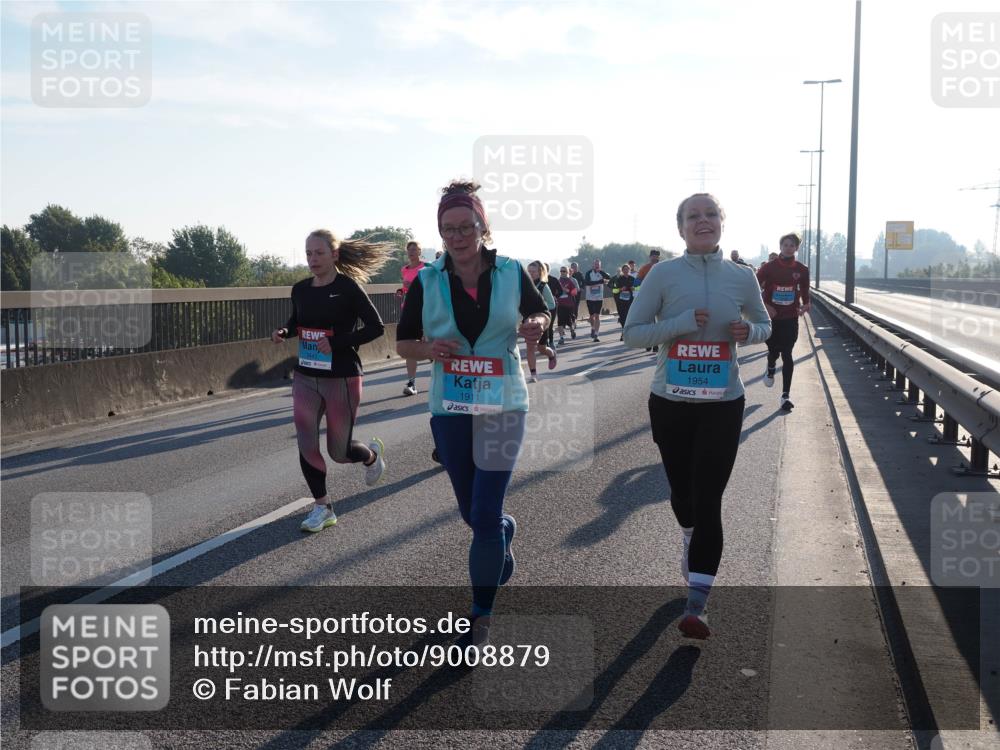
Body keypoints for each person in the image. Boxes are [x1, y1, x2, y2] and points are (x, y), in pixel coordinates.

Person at [396, 179, 549, 645]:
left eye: (467, 226)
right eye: (449, 229)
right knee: (473, 513)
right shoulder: (427, 279)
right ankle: (504, 531)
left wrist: (535, 325)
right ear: (440, 234)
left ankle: (481, 614)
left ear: (483, 226)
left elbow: (541, 313)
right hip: (451, 405)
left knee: (482, 513)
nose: (458, 236)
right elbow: (402, 343)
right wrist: (428, 348)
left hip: (504, 402)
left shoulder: (510, 270)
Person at [623, 193, 771, 640]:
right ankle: (688, 534)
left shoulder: (742, 277)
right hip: (669, 401)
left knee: (709, 500)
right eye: (693, 217)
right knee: (683, 497)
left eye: (710, 215)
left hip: (723, 404)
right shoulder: (663, 275)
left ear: (722, 224)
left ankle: (697, 606)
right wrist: (681, 323)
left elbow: (764, 325)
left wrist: (749, 333)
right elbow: (633, 333)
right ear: (681, 228)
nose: (702, 222)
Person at [271, 229, 393, 533]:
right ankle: (322, 506)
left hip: (342, 376)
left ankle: (370, 455)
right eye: (308, 253)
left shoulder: (348, 288)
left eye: (319, 253)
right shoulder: (300, 289)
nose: (313, 259)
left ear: (334, 255)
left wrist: (338, 342)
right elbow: (296, 322)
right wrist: (285, 333)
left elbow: (376, 327)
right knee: (305, 439)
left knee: (339, 452)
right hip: (306, 376)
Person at [756, 232, 811, 411]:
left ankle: (785, 396)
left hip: (790, 317)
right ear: (780, 246)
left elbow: (804, 289)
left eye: (792, 245)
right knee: (774, 351)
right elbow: (753, 288)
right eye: (785, 245)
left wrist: (806, 304)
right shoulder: (769, 267)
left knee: (787, 353)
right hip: (771, 317)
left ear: (796, 248)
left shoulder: (802, 269)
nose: (788, 248)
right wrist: (765, 305)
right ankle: (771, 365)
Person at [398, 240, 426, 396]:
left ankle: (440, 377)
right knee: (410, 348)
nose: (412, 252)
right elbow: (405, 288)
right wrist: (402, 292)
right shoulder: (404, 269)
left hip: (425, 311)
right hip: (409, 311)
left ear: (419, 251)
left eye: (415, 249)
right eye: (409, 250)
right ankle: (411, 382)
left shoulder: (426, 268)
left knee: (429, 345)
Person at [526, 260, 558, 382]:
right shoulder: (525, 285)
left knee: (541, 348)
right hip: (528, 320)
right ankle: (533, 375)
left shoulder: (544, 286)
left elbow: (551, 304)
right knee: (530, 347)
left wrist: (540, 312)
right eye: (529, 271)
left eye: (533, 271)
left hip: (542, 320)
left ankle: (552, 354)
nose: (530, 273)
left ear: (539, 272)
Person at [636, 249, 662, 352]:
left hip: (662, 297)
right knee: (648, 322)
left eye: (657, 256)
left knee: (657, 322)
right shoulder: (644, 268)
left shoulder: (664, 267)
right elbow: (636, 282)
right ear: (650, 257)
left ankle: (655, 344)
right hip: (648, 297)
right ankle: (649, 342)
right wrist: (644, 284)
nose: (655, 258)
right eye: (653, 256)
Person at [582, 259, 610, 342]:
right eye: (595, 264)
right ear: (593, 265)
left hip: (599, 297)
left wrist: (601, 273)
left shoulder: (601, 273)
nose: (597, 265)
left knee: (597, 315)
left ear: (600, 265)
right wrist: (600, 281)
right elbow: (587, 283)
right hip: (590, 297)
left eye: (598, 264)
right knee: (591, 316)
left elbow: (609, 278)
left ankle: (596, 335)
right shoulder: (588, 273)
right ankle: (593, 328)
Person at [609, 264, 636, 341]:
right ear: (622, 271)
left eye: (627, 269)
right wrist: (620, 289)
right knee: (622, 317)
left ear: (629, 270)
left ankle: (626, 333)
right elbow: (614, 289)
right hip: (620, 301)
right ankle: (624, 331)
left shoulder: (632, 279)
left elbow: (638, 287)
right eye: (624, 269)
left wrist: (633, 288)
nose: (626, 271)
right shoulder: (619, 279)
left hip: (630, 300)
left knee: (629, 317)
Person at [555, 266, 580, 345]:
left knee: (569, 320)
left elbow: (575, 292)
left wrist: (567, 290)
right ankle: (561, 338)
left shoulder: (570, 281)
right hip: (560, 304)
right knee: (560, 322)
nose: (562, 272)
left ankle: (572, 330)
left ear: (567, 272)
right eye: (561, 271)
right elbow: (554, 292)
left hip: (569, 304)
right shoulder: (557, 281)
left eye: (564, 271)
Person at [569, 262, 586, 339]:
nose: (574, 268)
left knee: (575, 307)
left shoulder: (580, 274)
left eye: (575, 267)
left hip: (577, 293)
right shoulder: (569, 274)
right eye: (572, 267)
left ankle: (574, 321)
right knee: (569, 308)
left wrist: (582, 287)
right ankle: (570, 321)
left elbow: (584, 282)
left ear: (577, 268)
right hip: (569, 294)